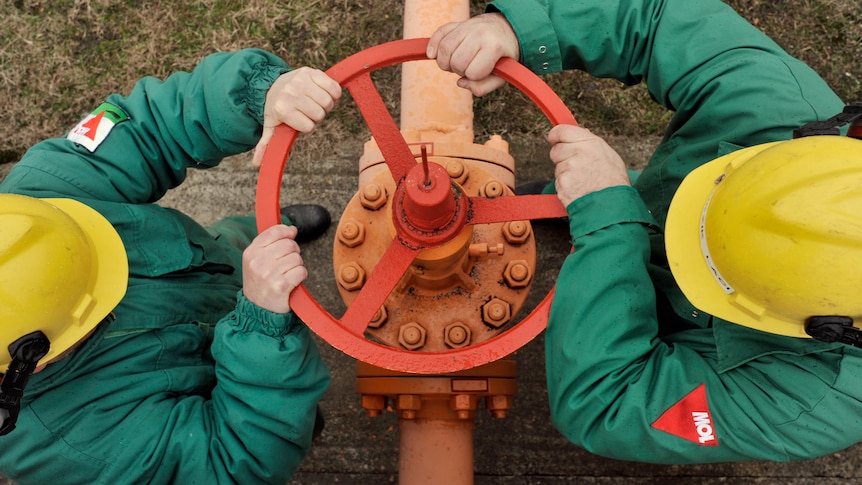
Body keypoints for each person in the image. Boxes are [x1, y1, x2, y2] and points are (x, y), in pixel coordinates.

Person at [427, 0, 862, 464]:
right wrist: (518, 28)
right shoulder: (781, 110)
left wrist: (606, 217)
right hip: (647, 196)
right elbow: (655, 19)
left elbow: (607, 405)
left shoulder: (818, 397)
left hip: (682, 328)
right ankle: (580, 204)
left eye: (709, 260)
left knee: (604, 215)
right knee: (600, 200)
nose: (688, 241)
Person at [0, 48, 342, 483]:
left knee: (249, 240)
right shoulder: (66, 447)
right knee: (288, 418)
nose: (114, 278)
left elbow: (148, 124)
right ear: (30, 363)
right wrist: (261, 329)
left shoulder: (39, 195)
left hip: (209, 259)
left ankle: (276, 226)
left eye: (92, 255)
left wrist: (258, 93)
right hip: (228, 371)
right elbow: (229, 463)